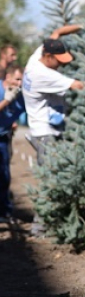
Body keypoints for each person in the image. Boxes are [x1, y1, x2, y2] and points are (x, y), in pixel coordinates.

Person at [22, 25, 85, 166]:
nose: (61, 65)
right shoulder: (42, 74)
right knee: (52, 173)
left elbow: (57, 32)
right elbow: (79, 85)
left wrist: (81, 26)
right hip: (46, 133)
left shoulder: (37, 56)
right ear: (48, 56)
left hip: (45, 129)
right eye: (59, 61)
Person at [0, 63, 26, 222]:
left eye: (21, 80)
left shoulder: (20, 96)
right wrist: (6, 101)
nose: (19, 83)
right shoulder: (3, 91)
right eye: (17, 79)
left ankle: (4, 212)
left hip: (3, 137)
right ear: (8, 77)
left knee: (4, 175)